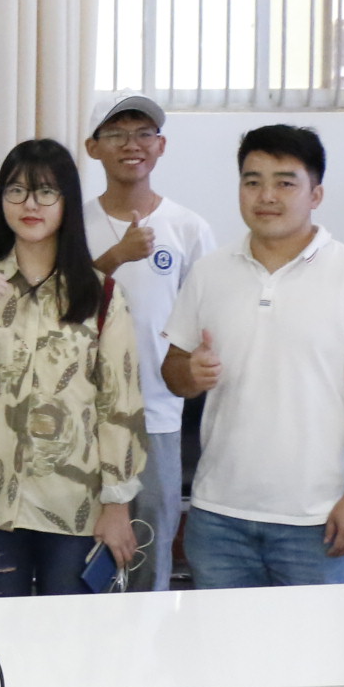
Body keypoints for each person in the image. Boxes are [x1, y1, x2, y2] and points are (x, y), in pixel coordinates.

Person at [165, 125, 344, 590]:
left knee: (320, 639)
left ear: (316, 194)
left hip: (317, 519)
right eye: (252, 181)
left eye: (285, 182)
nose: (266, 196)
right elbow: (173, 372)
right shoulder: (209, 272)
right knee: (222, 638)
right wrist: (190, 373)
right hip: (218, 517)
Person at [0, 138, 144, 596]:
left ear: (67, 201)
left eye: (46, 192)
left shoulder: (101, 294)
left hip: (75, 505)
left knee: (70, 632)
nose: (30, 204)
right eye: (16, 191)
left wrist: (117, 503)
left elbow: (121, 405)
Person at [81, 94, 215, 593]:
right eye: (116, 134)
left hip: (155, 416)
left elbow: (206, 319)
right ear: (93, 147)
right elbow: (57, 303)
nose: (131, 145)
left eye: (143, 134)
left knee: (146, 554)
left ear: (161, 146)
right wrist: (116, 256)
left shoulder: (188, 228)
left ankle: (147, 641)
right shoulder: (73, 223)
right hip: (79, 416)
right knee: (81, 562)